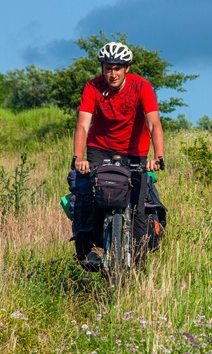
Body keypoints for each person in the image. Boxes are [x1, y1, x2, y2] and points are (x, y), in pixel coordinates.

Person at [68, 41, 165, 270]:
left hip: (135, 152)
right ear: (102, 68)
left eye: (117, 68)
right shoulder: (92, 87)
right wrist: (78, 157)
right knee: (87, 197)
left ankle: (139, 267)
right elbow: (83, 125)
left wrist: (158, 157)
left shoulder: (141, 87)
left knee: (138, 209)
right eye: (108, 68)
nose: (112, 74)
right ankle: (86, 253)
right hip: (100, 148)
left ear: (127, 68)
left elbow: (154, 124)